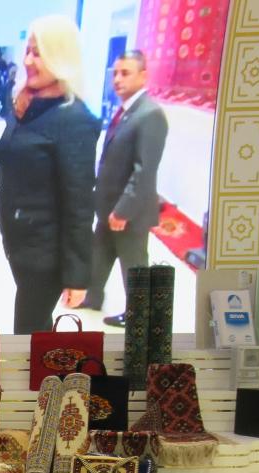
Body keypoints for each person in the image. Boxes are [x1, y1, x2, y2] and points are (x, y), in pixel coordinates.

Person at [0, 15, 98, 334]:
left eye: (39, 52)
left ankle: (37, 367)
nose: (28, 60)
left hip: (43, 255)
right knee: (36, 329)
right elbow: (11, 150)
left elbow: (79, 204)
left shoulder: (74, 119)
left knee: (28, 333)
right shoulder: (28, 103)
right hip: (20, 242)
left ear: (61, 57)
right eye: (28, 51)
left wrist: (77, 276)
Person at [83, 50, 169, 326]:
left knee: (133, 263)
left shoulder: (150, 114)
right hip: (109, 203)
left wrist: (123, 210)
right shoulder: (126, 111)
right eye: (116, 73)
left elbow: (144, 170)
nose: (118, 79)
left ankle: (139, 316)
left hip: (129, 209)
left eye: (125, 73)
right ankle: (92, 296)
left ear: (143, 76)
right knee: (101, 251)